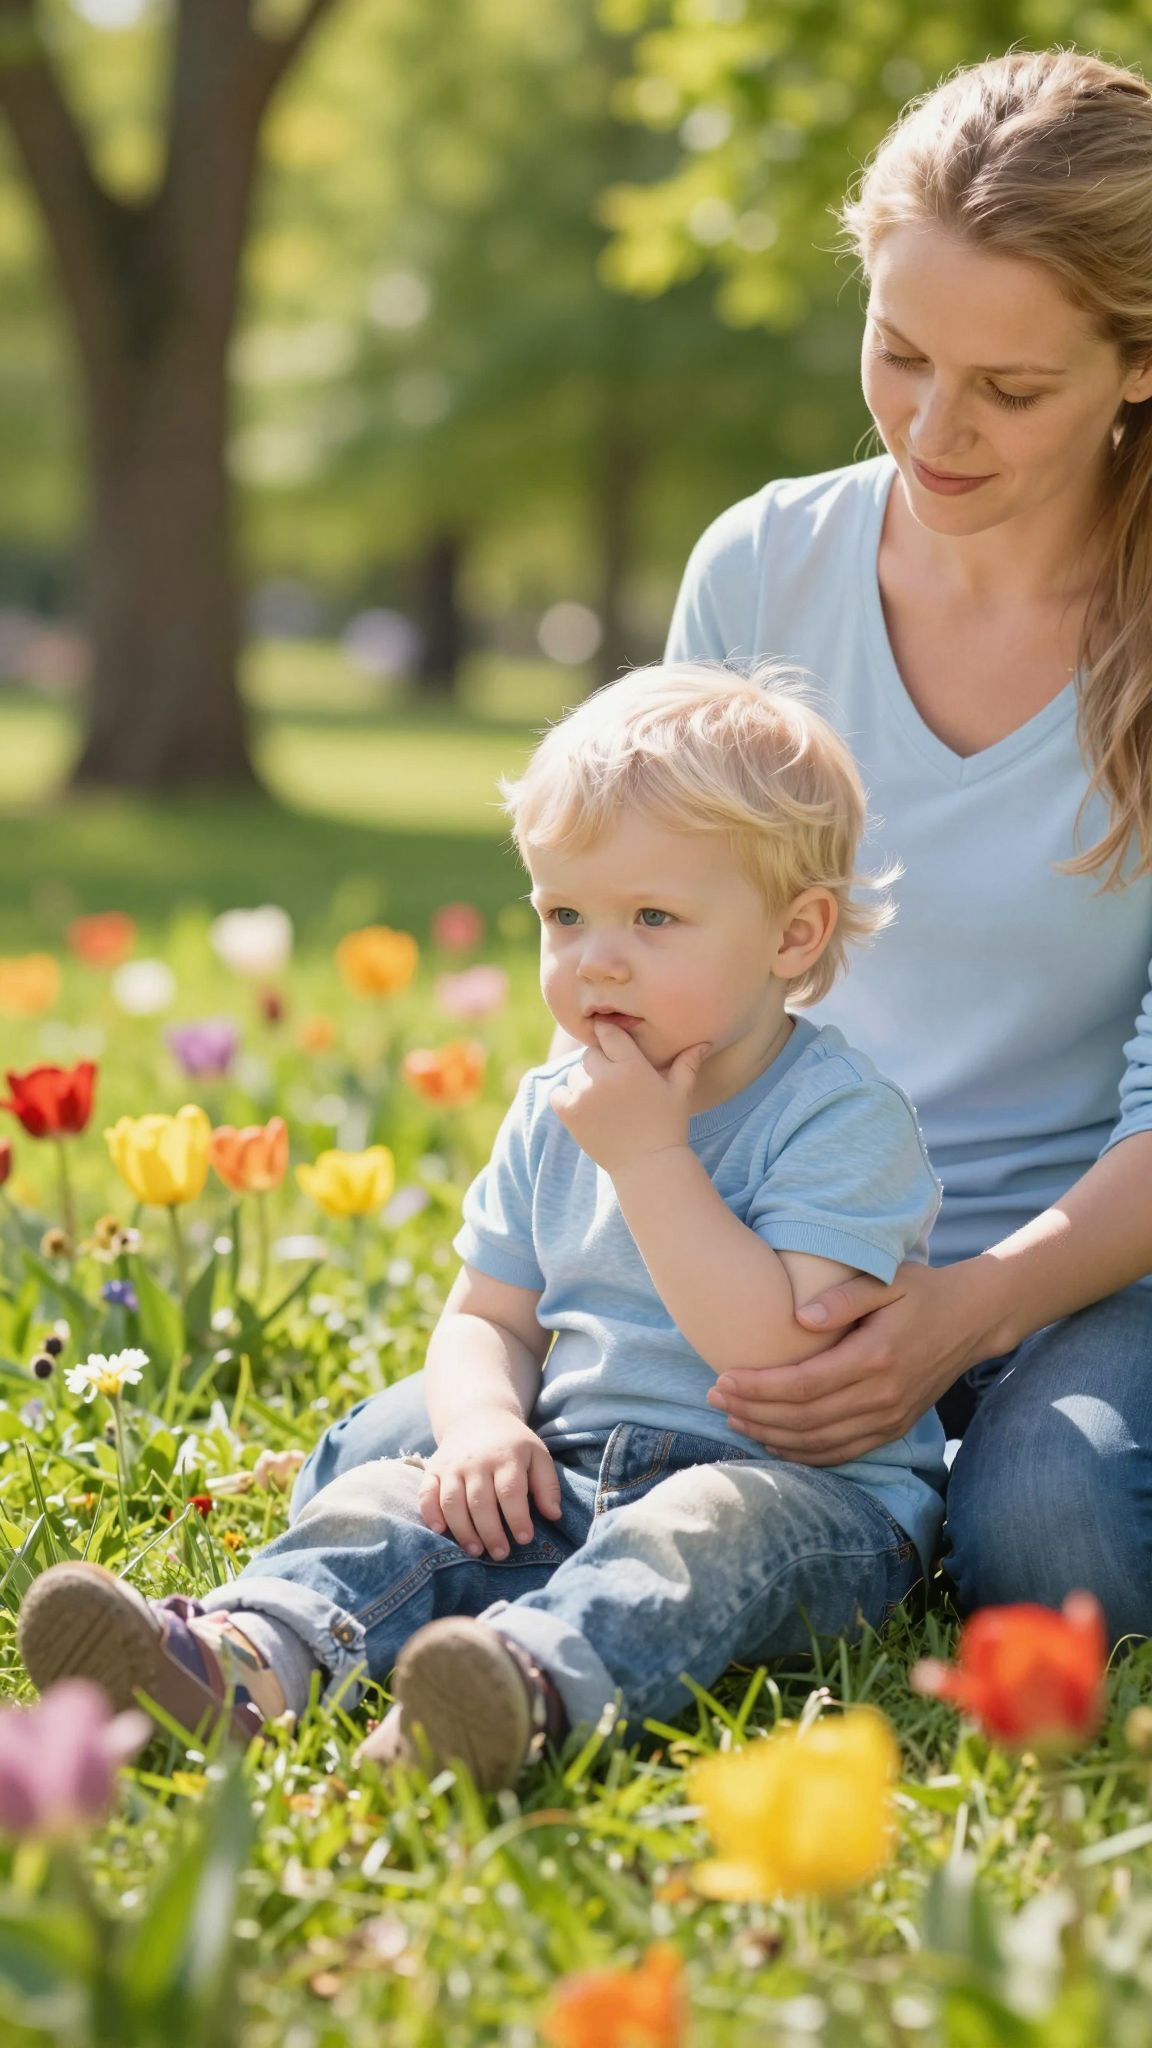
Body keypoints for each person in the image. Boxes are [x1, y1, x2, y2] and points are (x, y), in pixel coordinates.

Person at [242, 45, 1152, 1653]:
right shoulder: (767, 564)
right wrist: (652, 1244)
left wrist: (956, 1319)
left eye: (1013, 391)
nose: (937, 428)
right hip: (743, 1222)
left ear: (1137, 369)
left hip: (1070, 1263)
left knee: (1055, 1520)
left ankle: (891, 1500)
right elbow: (639, 921)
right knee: (424, 1451)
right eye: (900, 351)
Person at [19, 665, 942, 1790]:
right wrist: (481, 1425)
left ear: (795, 935)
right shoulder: (558, 1102)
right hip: (575, 1461)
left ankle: (521, 1687)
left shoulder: (840, 1116)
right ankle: (237, 1655)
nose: (596, 956)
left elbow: (778, 1353)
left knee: (697, 1529)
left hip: (804, 1496)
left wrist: (651, 1159)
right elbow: (485, 1315)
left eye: (653, 916)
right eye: (566, 914)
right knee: (390, 1497)